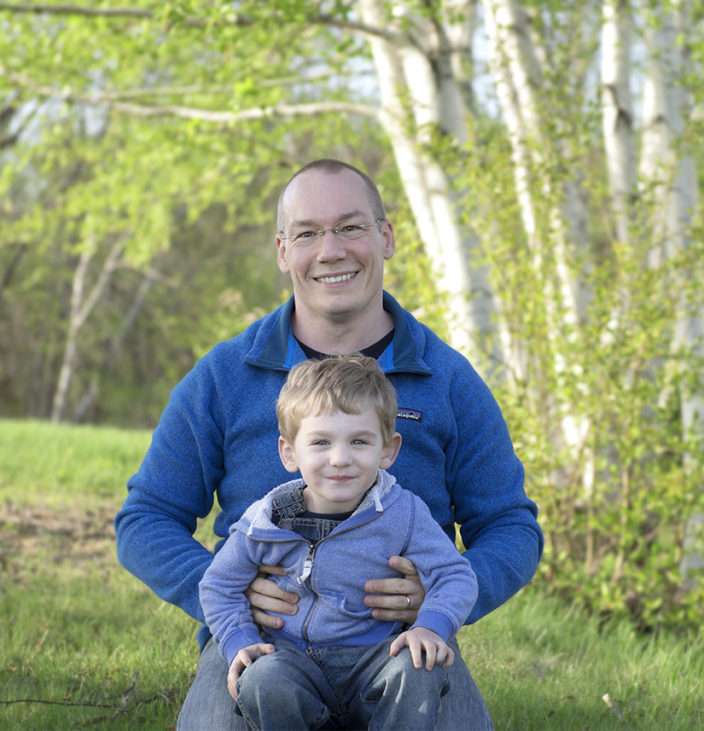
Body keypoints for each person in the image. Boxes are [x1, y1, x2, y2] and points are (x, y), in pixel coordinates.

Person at [115, 159, 543, 730]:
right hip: (260, 650)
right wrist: (225, 596)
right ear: (282, 250)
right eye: (308, 233)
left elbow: (512, 527)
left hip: (404, 653)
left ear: (385, 237)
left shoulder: (448, 379)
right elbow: (145, 518)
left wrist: (439, 603)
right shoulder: (224, 376)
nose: (331, 250)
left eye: (350, 227)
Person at [199, 355, 478, 730]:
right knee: (262, 677)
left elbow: (454, 575)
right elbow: (219, 584)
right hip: (291, 658)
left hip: (374, 657)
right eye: (320, 442)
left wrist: (431, 625)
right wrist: (239, 639)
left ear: (388, 450)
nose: (340, 459)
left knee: (418, 668)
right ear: (289, 452)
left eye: (359, 441)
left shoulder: (404, 513)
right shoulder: (265, 520)